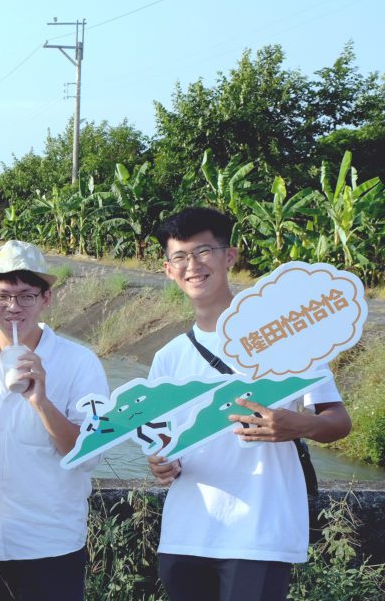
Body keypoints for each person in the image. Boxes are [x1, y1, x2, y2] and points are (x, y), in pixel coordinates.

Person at [147, 207, 352, 601]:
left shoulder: (289, 338)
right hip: (185, 533)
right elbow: (162, 443)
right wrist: (159, 462)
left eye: (204, 251)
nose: (192, 265)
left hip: (258, 532)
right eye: (179, 257)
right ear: (168, 269)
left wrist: (299, 425)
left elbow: (338, 421)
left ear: (230, 256)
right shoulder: (168, 358)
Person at [0, 240, 109, 601]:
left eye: (26, 296)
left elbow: (91, 455)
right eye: (3, 296)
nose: (13, 307)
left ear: (46, 299)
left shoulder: (81, 363)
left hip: (51, 544)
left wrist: (41, 400)